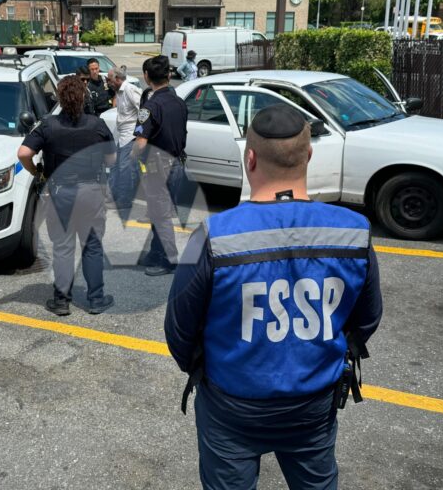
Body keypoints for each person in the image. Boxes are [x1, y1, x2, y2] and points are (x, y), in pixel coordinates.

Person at [164, 103, 383, 490]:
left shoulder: (213, 236)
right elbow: (366, 320)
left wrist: (209, 371)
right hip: (313, 403)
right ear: (309, 155)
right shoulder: (354, 230)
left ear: (249, 159)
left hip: (231, 405)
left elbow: (180, 330)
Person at [18, 76, 117, 316]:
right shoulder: (97, 125)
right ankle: (96, 299)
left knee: (63, 247)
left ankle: (61, 300)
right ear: (83, 97)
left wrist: (36, 172)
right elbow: (112, 159)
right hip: (91, 191)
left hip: (60, 192)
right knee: (92, 246)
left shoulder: (48, 125)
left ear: (60, 99)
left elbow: (23, 153)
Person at [132, 55, 188, 276]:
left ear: (146, 77)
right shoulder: (179, 102)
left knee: (161, 214)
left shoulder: (150, 106)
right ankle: (156, 252)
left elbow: (140, 143)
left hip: (158, 167)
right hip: (177, 164)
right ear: (169, 76)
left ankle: (168, 259)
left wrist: (132, 157)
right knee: (159, 211)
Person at [106, 67, 142, 212]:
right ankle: (114, 197)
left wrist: (139, 134)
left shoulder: (130, 90)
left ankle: (125, 201)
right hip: (122, 136)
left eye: (109, 80)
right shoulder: (119, 91)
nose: (108, 83)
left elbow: (144, 111)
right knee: (116, 167)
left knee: (125, 169)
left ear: (118, 79)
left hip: (131, 136)